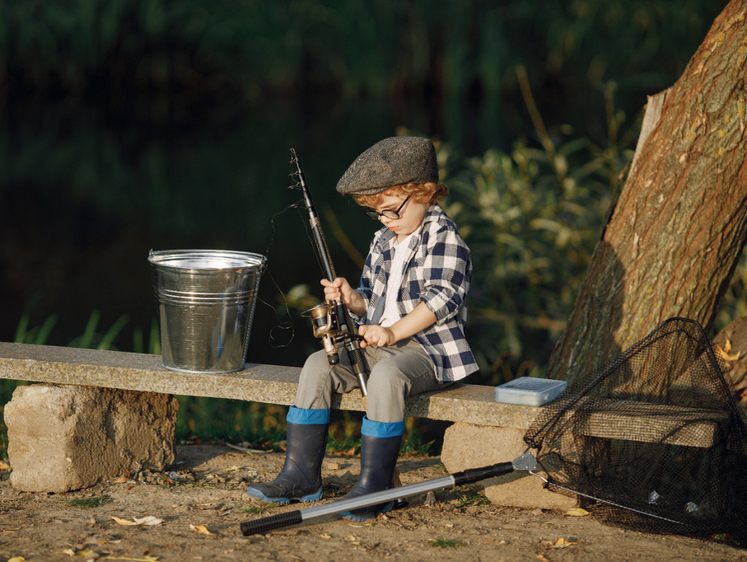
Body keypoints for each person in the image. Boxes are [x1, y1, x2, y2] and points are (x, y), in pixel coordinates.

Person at [247, 136, 478, 521]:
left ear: (425, 192)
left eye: (391, 210)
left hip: (428, 352)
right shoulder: (384, 240)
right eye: (378, 214)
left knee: (387, 373)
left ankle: (376, 485)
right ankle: (302, 474)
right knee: (317, 366)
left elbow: (441, 300)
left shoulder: (445, 238)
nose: (386, 220)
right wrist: (353, 299)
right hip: (380, 344)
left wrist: (392, 333)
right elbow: (375, 300)